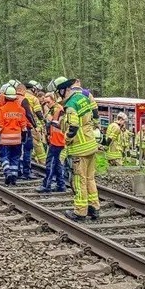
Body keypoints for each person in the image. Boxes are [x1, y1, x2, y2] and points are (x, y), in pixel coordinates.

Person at [51, 76, 100, 221]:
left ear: (62, 90)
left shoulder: (71, 104)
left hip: (79, 148)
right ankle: (94, 208)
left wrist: (66, 140)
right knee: (90, 178)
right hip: (90, 144)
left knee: (79, 181)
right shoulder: (82, 98)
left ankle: (80, 211)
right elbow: (93, 116)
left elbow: (73, 126)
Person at [0, 85, 27, 185]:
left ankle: (7, 172)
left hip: (5, 138)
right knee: (15, 157)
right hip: (17, 138)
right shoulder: (21, 109)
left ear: (5, 97)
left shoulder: (2, 109)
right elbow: (23, 125)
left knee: (4, 156)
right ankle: (13, 176)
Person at [37, 93, 66, 193]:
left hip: (57, 140)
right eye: (45, 102)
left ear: (53, 100)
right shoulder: (55, 109)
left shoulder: (57, 110)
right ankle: (61, 185)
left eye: (48, 102)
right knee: (57, 163)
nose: (47, 104)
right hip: (56, 140)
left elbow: (56, 125)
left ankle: (47, 185)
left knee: (50, 163)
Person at [10, 80, 38, 179]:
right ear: (23, 90)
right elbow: (29, 114)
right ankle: (26, 172)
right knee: (27, 150)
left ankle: (16, 171)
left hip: (13, 127)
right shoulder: (23, 99)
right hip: (24, 128)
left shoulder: (10, 99)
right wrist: (35, 126)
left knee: (16, 150)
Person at [24, 81, 47, 166]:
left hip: (20, 125)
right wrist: (44, 122)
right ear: (33, 89)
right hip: (32, 125)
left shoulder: (19, 97)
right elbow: (38, 113)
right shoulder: (33, 99)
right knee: (38, 144)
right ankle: (43, 163)